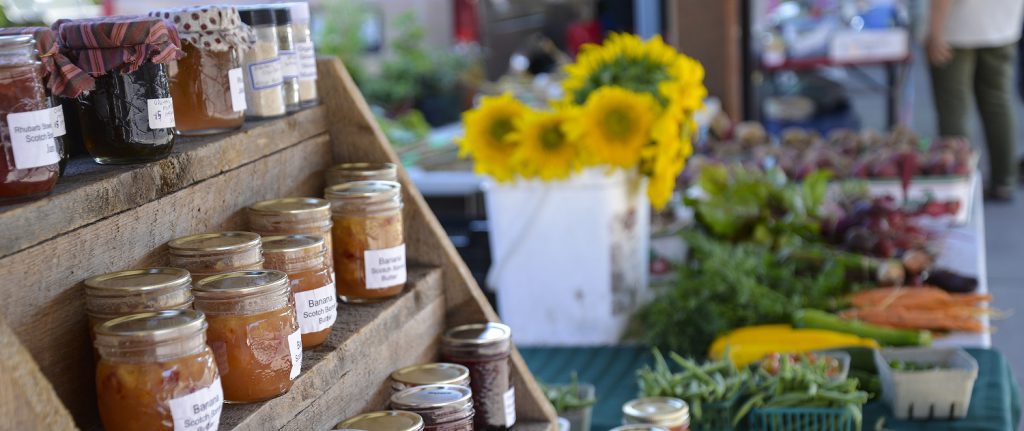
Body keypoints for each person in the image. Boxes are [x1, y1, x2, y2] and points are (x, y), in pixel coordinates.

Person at [927, 0, 1024, 201]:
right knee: (998, 103)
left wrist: (935, 32)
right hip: (1003, 24)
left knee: (954, 109)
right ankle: (1004, 180)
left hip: (957, 28)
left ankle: (957, 185)